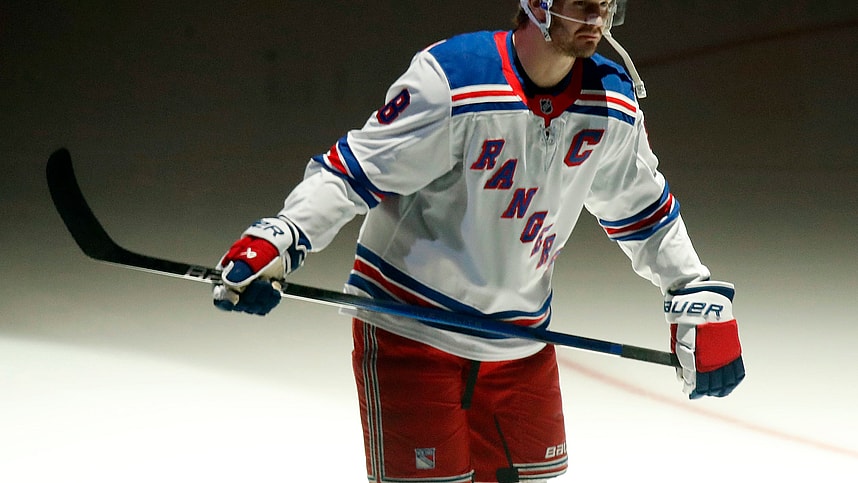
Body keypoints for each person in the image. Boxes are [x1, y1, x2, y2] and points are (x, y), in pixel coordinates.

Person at [212, 1, 746, 481]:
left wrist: (691, 288)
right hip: (414, 333)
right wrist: (283, 236)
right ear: (538, 4)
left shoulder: (610, 100)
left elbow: (642, 208)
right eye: (582, 4)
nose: (597, 19)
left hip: (521, 342)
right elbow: (354, 170)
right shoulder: (453, 79)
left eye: (605, 5)